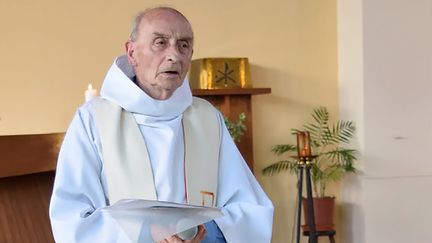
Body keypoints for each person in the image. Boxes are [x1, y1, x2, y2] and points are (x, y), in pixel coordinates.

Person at [49, 6, 273, 243]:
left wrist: (204, 231)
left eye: (183, 45)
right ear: (131, 52)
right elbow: (71, 217)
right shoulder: (93, 119)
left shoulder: (206, 118)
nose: (174, 55)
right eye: (160, 42)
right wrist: (147, 234)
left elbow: (249, 207)